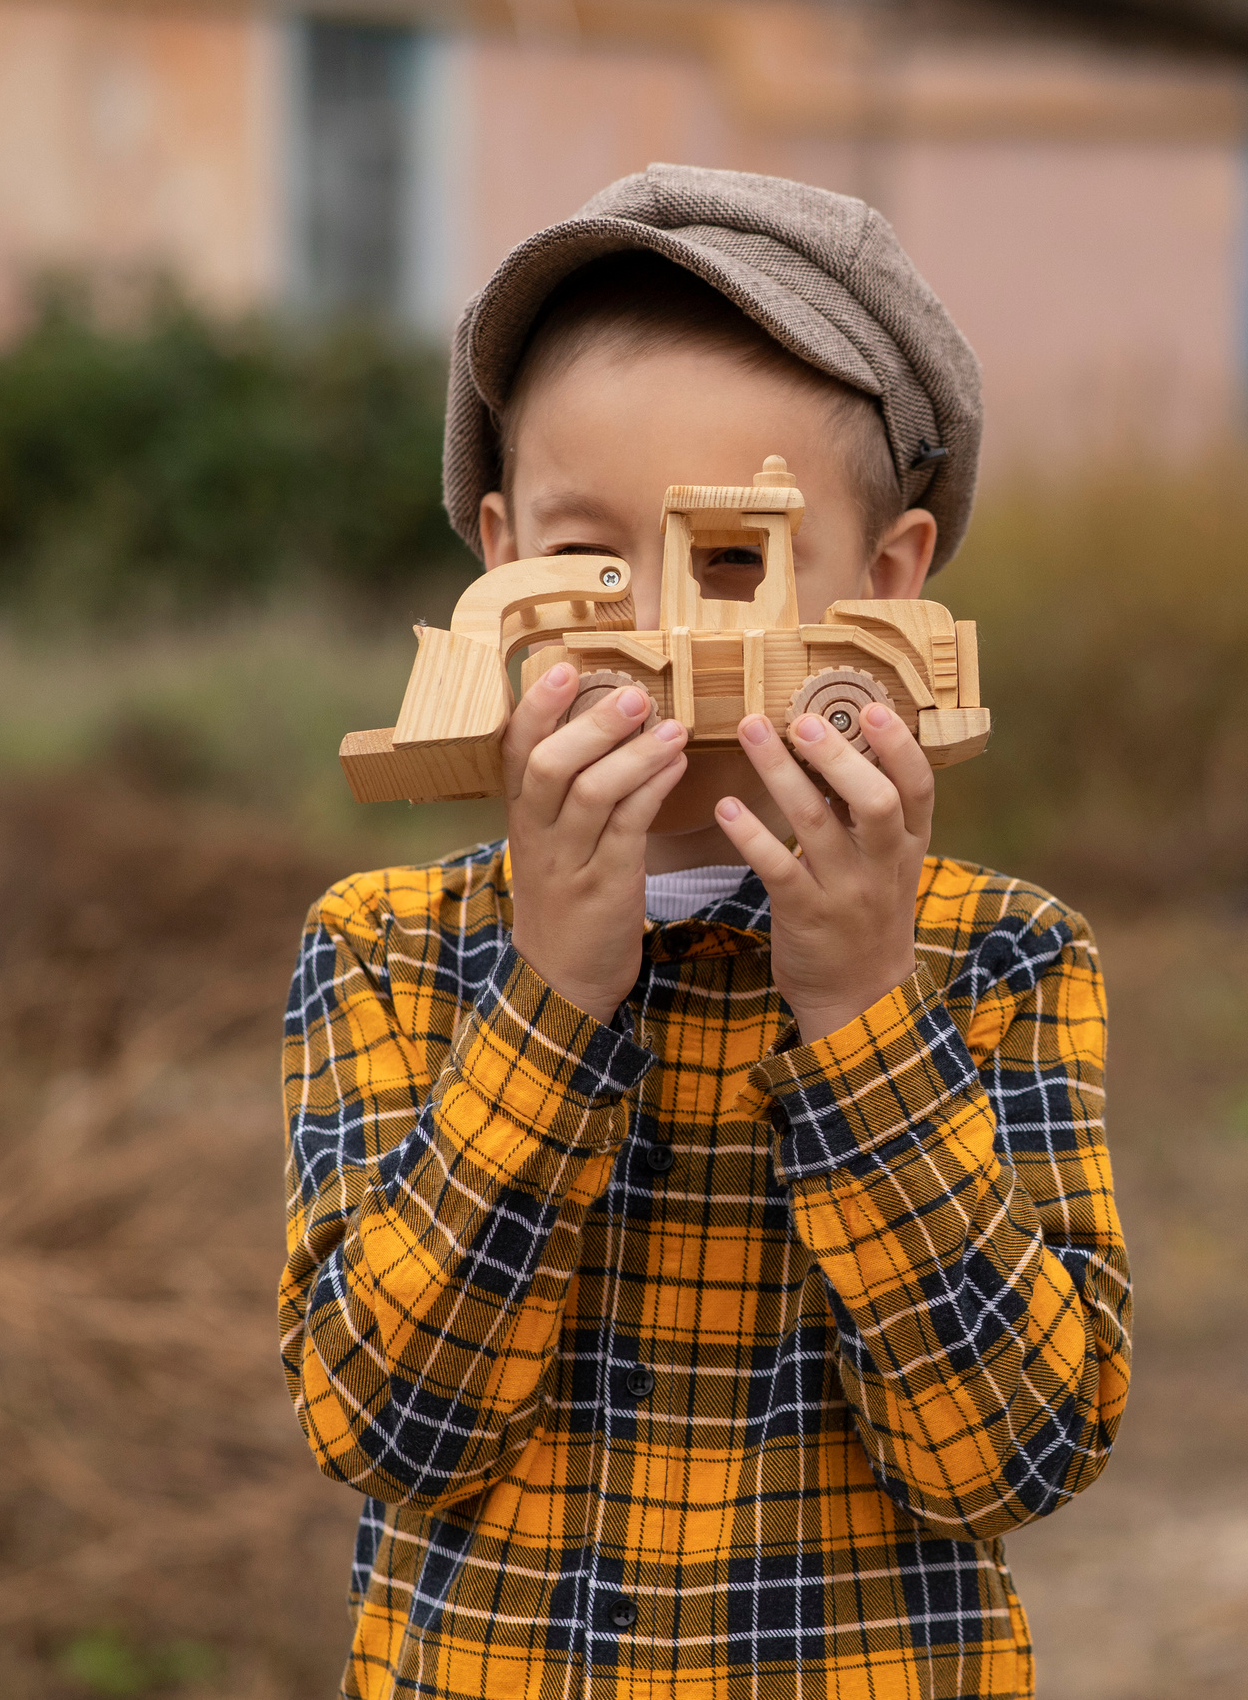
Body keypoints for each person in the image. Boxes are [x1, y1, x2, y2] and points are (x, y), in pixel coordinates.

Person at [278, 165, 1128, 1698]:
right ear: (495, 556)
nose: (658, 631)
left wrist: (866, 1012)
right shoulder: (389, 950)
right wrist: (549, 1000)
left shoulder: (1004, 958)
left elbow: (1017, 1456)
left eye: (733, 561)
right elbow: (385, 1427)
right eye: (589, 559)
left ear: (886, 584)